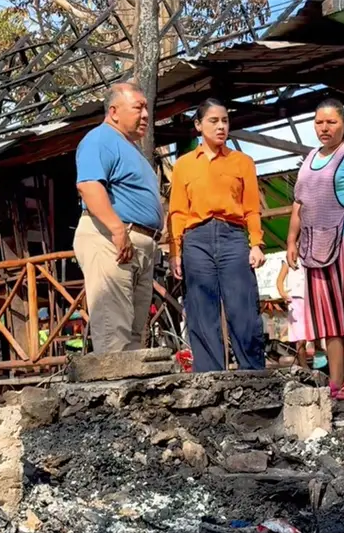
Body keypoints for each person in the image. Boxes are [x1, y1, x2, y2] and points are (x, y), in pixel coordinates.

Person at [287, 99, 344, 401]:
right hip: (316, 246)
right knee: (329, 316)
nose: (324, 128)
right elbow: (299, 203)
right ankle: (336, 380)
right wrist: (291, 240)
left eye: (331, 122)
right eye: (319, 122)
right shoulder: (310, 158)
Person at [169, 98, 266, 372]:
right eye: (213, 121)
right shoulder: (183, 165)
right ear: (198, 125)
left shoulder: (242, 162)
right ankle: (210, 379)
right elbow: (177, 211)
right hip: (196, 240)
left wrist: (256, 244)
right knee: (201, 312)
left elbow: (251, 208)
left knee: (242, 308)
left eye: (225, 120)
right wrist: (175, 251)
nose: (221, 126)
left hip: (233, 236)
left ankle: (254, 376)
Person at [73, 83, 164, 354]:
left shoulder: (131, 148)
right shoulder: (100, 139)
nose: (145, 114)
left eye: (146, 108)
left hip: (138, 243)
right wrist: (117, 229)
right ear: (113, 112)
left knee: (135, 333)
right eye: (138, 108)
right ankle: (114, 382)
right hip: (110, 238)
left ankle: (130, 382)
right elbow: (89, 185)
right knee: (114, 330)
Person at [276, 258, 319, 369]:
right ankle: (304, 366)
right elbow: (280, 280)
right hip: (295, 299)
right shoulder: (288, 260)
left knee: (317, 332)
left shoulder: (311, 256)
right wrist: (283, 293)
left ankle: (319, 361)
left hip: (312, 298)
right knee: (300, 337)